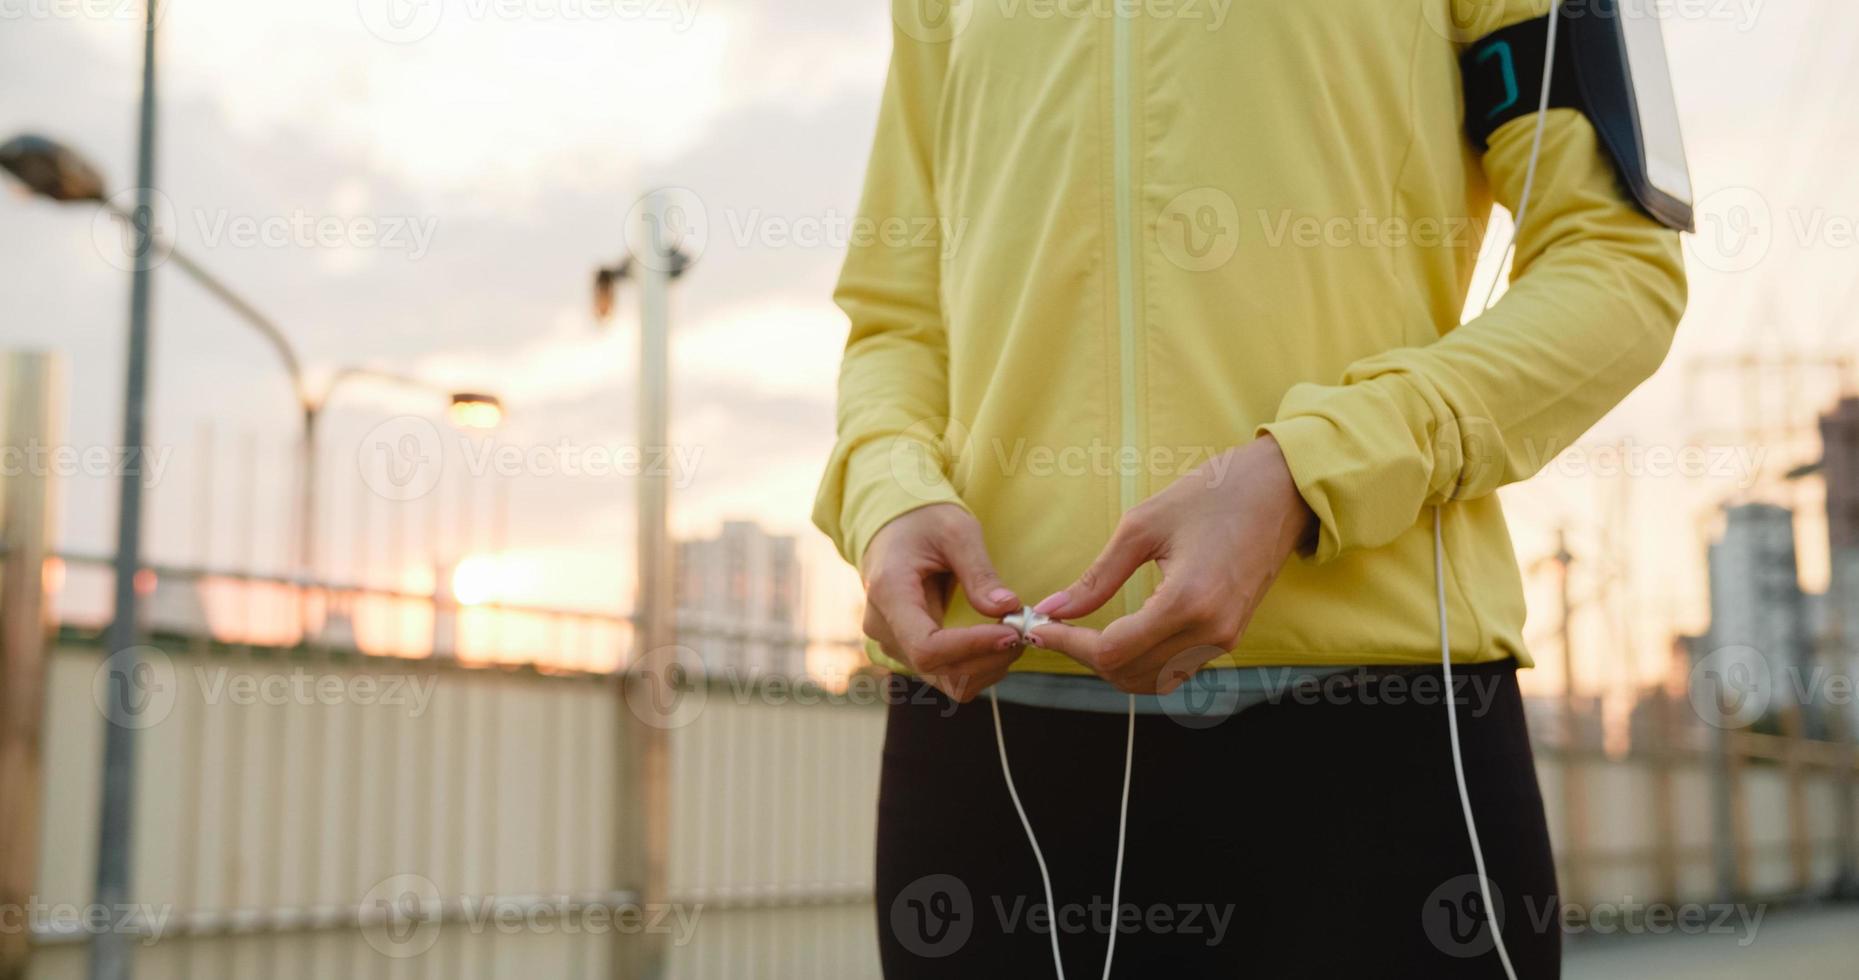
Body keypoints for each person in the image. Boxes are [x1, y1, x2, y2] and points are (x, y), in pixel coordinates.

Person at [813, 1, 1686, 976]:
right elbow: (894, 319)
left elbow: (1614, 265)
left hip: (1381, 736)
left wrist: (1308, 471)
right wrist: (886, 493)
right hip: (988, 741)